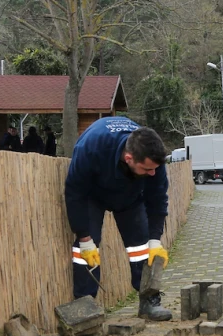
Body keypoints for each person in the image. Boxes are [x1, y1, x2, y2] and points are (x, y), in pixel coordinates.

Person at [64, 116, 172, 321]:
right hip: (92, 195)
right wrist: (85, 237)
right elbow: (74, 193)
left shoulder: (152, 159)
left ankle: (149, 301)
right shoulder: (91, 147)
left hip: (131, 197)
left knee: (142, 249)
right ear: (129, 158)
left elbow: (158, 200)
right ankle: (84, 307)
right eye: (147, 169)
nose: (153, 173)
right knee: (84, 251)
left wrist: (155, 239)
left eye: (155, 169)